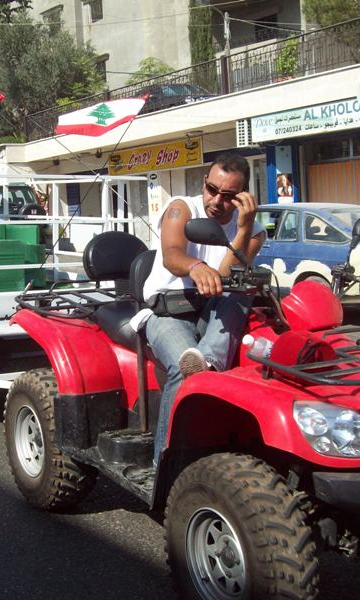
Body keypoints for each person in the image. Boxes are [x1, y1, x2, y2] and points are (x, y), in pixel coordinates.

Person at [141, 154, 266, 464]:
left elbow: (225, 275)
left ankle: (207, 360)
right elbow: (171, 254)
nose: (216, 201)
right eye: (212, 189)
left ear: (243, 196)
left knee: (243, 293)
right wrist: (195, 266)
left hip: (214, 309)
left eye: (228, 196)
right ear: (204, 183)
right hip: (169, 311)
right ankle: (165, 466)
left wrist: (243, 229)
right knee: (184, 372)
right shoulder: (183, 208)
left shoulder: (254, 231)